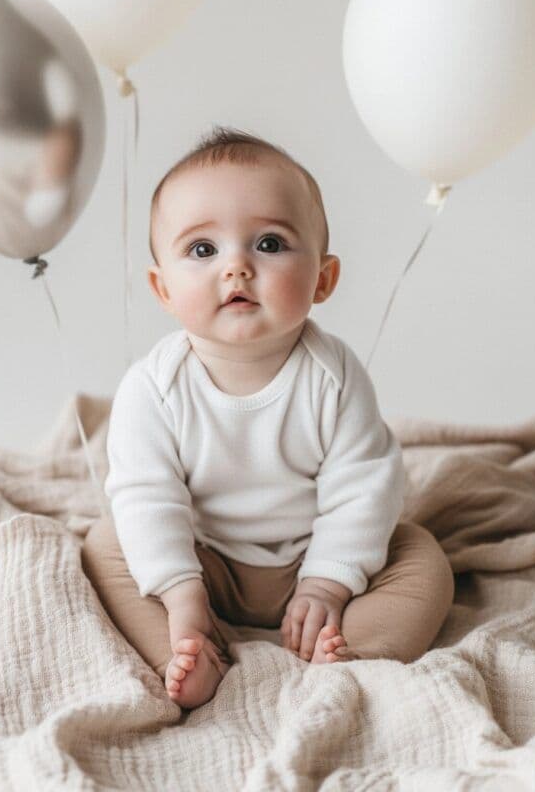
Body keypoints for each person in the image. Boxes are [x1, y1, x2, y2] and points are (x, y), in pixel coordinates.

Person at [81, 126, 454, 710]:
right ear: (163, 290)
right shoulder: (153, 388)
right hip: (203, 560)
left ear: (324, 279)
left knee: (424, 559)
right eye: (203, 250)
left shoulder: (333, 376)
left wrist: (328, 581)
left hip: (316, 554)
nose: (236, 268)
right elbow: (147, 496)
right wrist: (182, 596)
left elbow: (362, 486)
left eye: (270, 244)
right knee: (108, 543)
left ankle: (353, 650)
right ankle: (183, 649)